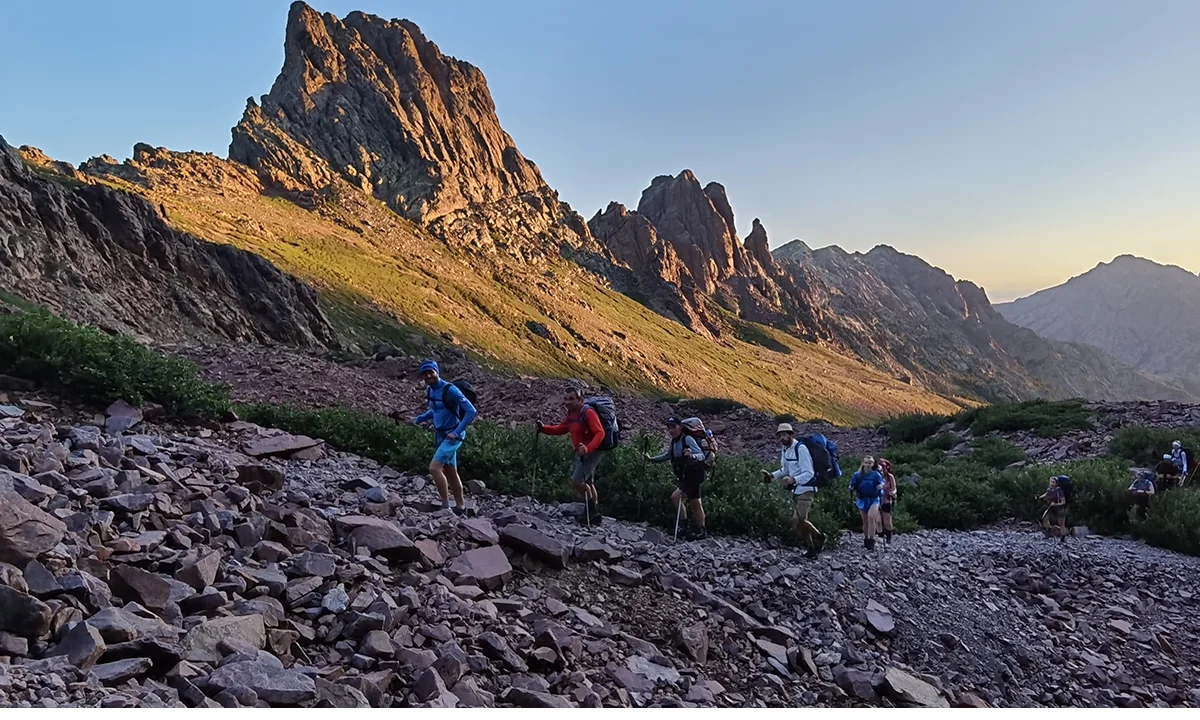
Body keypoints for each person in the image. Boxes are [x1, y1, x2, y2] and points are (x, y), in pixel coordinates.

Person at [412, 359, 477, 515]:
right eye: (425, 374)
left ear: (437, 372)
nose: (428, 376)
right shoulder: (430, 390)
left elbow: (471, 411)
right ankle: (461, 507)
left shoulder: (450, 389)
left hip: (452, 437)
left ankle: (445, 507)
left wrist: (457, 432)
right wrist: (419, 418)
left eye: (431, 372)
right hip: (441, 435)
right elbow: (436, 409)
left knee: (434, 468)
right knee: (450, 471)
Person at [536, 388, 606, 516]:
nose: (567, 402)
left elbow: (600, 432)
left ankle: (591, 511)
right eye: (566, 399)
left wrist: (588, 448)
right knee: (588, 482)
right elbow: (562, 428)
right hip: (582, 451)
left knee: (576, 481)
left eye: (571, 399)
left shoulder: (588, 412)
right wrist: (544, 429)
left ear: (580, 400)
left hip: (592, 451)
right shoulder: (571, 414)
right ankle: (594, 511)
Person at [761, 423, 825, 558]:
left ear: (791, 435)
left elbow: (809, 473)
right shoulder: (785, 449)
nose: (782, 438)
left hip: (807, 488)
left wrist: (793, 479)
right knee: (801, 521)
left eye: (784, 435)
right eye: (780, 436)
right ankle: (811, 549)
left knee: (799, 519)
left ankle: (819, 537)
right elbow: (785, 469)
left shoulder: (800, 449)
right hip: (795, 490)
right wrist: (772, 476)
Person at [646, 418, 708, 539]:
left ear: (680, 427)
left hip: (694, 475)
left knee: (675, 497)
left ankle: (683, 527)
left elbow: (701, 455)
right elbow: (668, 455)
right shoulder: (674, 441)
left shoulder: (687, 439)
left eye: (673, 427)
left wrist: (692, 455)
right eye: (669, 427)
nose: (671, 430)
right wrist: (652, 459)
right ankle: (701, 530)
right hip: (687, 475)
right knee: (695, 502)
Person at [850, 457, 885, 550]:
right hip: (862, 499)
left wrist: (880, 486)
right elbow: (852, 483)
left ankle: (871, 540)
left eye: (870, 463)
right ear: (863, 463)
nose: (868, 465)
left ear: (873, 464)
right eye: (866, 463)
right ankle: (866, 539)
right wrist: (851, 487)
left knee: (871, 518)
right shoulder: (857, 475)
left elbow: (881, 483)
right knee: (865, 521)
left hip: (874, 499)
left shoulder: (876, 475)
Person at [1037, 476, 1068, 542]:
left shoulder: (1059, 491)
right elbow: (1046, 494)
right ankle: (1048, 532)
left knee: (1061, 524)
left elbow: (1063, 502)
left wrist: (1055, 504)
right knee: (1044, 518)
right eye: (1050, 482)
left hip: (1060, 508)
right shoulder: (1049, 489)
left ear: (1056, 483)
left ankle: (1063, 538)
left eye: (1053, 482)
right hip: (1052, 507)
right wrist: (1039, 497)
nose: (1051, 483)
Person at [877, 458, 898, 544]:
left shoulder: (890, 477)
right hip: (877, 500)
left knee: (887, 520)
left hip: (887, 500)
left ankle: (889, 535)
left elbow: (894, 488)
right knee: (878, 520)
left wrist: (892, 492)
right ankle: (880, 536)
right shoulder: (876, 476)